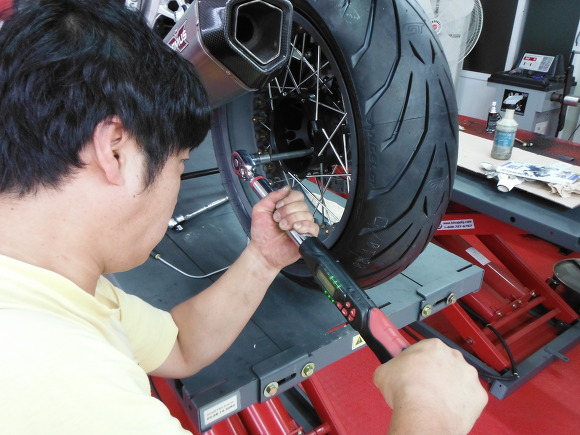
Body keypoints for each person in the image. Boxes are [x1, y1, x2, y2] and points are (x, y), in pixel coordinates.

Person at [0, 0, 487, 433]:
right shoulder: (53, 382)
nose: (177, 179)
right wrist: (431, 415)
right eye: (180, 163)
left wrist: (262, 258)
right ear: (115, 151)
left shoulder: (48, 284)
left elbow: (178, 345)